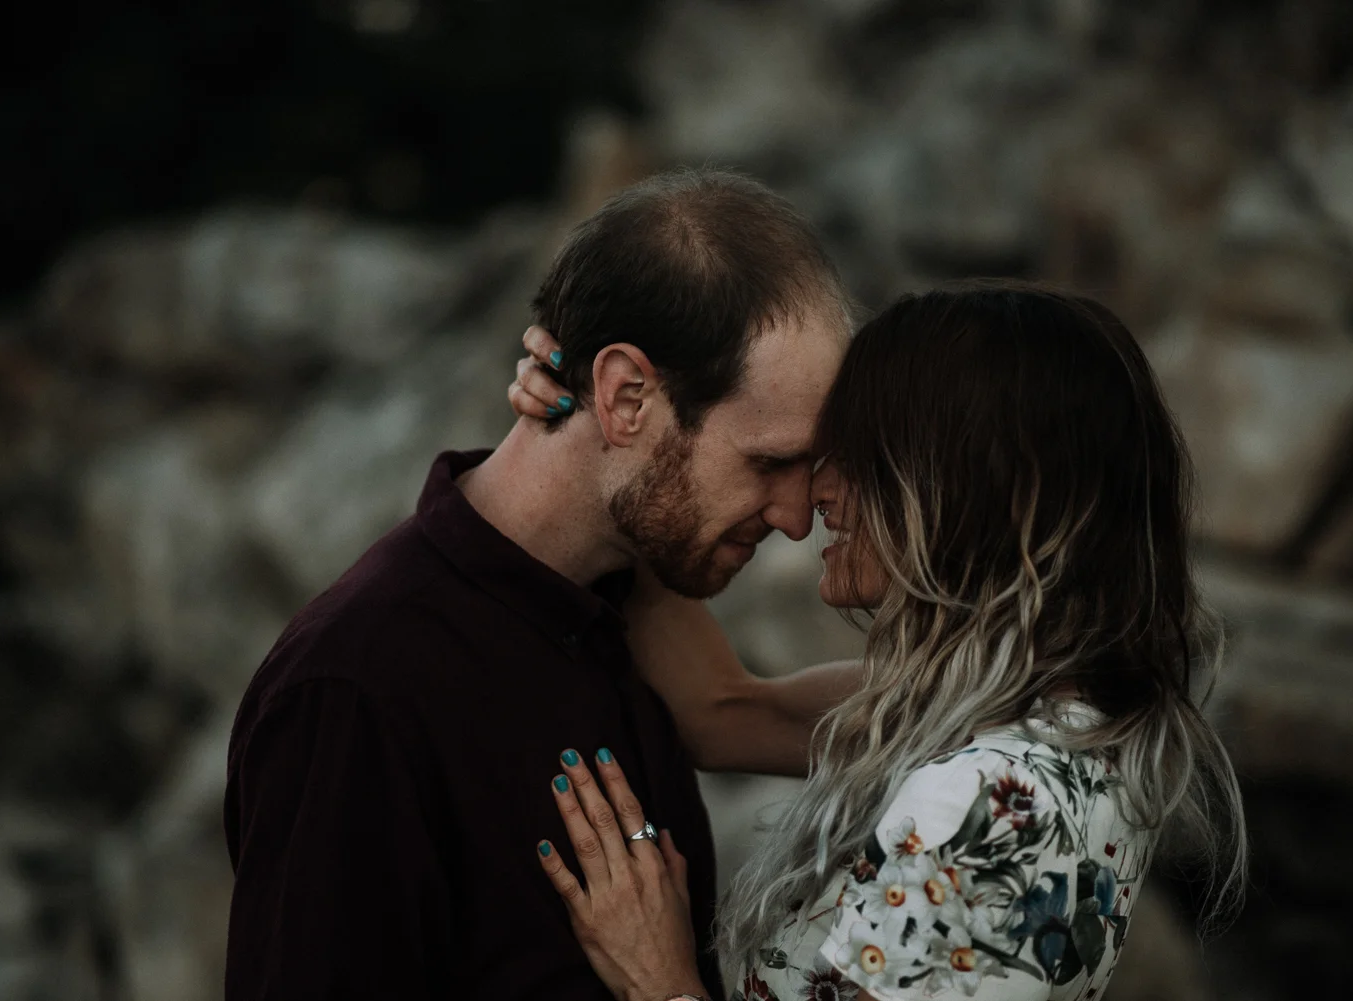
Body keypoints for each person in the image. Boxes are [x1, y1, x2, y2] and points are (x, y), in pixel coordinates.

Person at [510, 281, 1248, 1001]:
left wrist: (660, 979)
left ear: (965, 484)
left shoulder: (985, 800)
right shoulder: (1031, 720)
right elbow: (721, 711)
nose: (817, 491)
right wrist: (610, 431)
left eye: (861, 451)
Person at [221, 168, 855, 1000]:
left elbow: (737, 711)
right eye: (769, 462)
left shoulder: (631, 596)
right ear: (626, 395)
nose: (798, 519)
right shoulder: (357, 687)